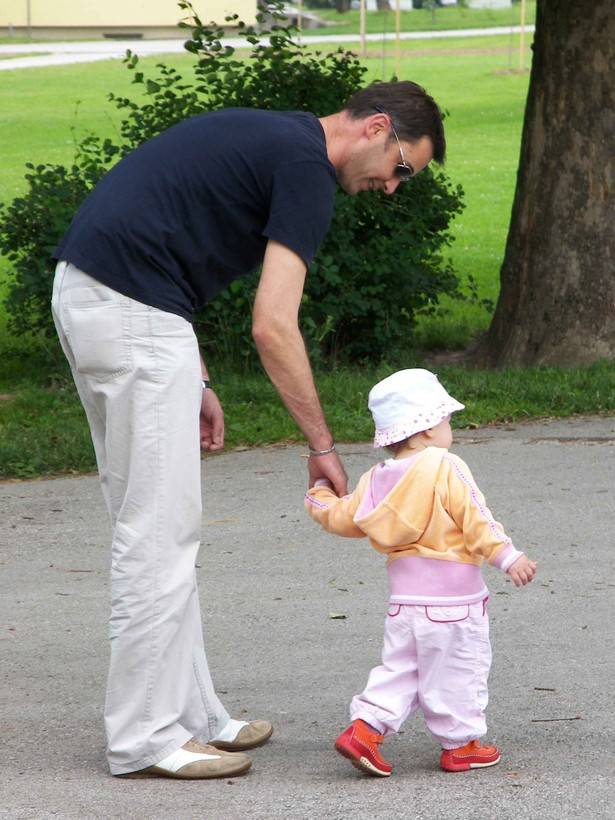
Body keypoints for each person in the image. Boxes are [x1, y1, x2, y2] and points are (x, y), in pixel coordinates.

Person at [50, 81, 446, 779]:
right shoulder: (305, 170)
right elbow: (273, 324)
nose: (391, 187)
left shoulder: (274, 135)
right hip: (131, 312)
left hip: (104, 296)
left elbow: (165, 238)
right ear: (375, 128)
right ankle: (144, 739)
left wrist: (196, 376)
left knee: (156, 526)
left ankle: (195, 716)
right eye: (401, 168)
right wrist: (322, 444)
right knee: (158, 535)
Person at [304, 369, 537, 777]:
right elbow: (476, 518)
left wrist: (318, 494)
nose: (450, 428)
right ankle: (462, 745)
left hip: (405, 604)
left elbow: (342, 517)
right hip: (455, 603)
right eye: (446, 420)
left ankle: (364, 730)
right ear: (426, 430)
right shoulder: (445, 466)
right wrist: (507, 556)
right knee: (460, 669)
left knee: (401, 670)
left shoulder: (375, 479)